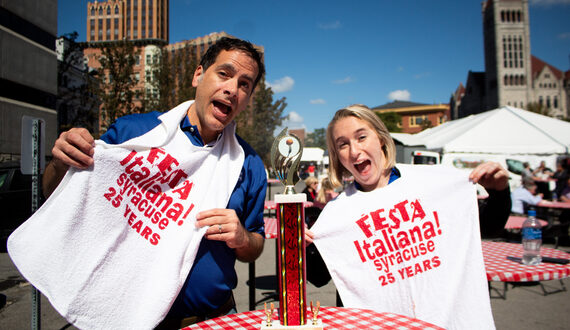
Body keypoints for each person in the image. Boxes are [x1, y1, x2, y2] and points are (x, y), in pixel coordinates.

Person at [42, 37, 267, 328]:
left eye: (245, 84)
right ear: (198, 75)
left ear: (248, 100)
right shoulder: (134, 134)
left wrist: (243, 238)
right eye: (224, 74)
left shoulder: (248, 165)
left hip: (215, 318)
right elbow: (55, 196)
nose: (232, 89)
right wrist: (61, 162)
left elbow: (256, 244)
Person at [305, 104, 511, 301]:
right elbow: (318, 277)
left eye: (361, 137)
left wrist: (499, 191)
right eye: (343, 144)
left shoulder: (431, 184)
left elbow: (490, 227)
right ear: (337, 157)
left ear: (381, 139)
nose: (354, 151)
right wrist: (302, 247)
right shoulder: (337, 213)